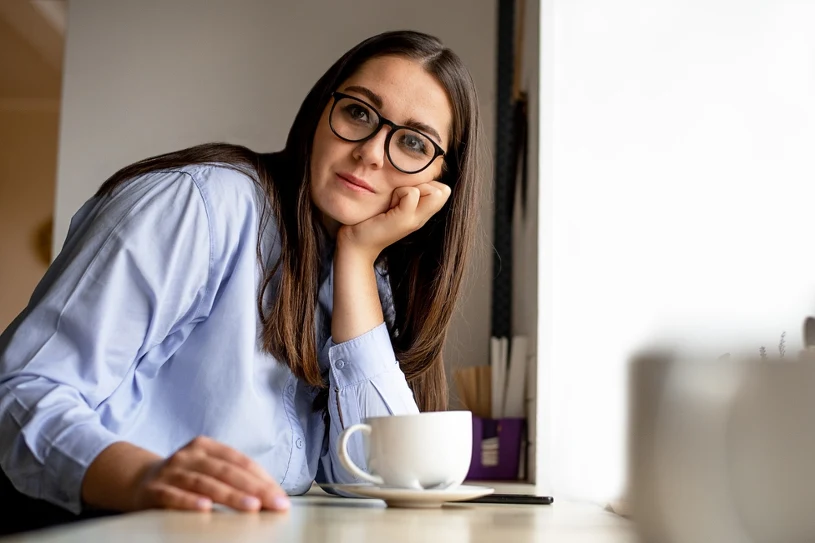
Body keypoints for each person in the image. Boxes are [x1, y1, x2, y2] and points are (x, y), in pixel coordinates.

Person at [0, 30, 484, 531]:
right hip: (92, 525)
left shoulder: (360, 275)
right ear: (322, 111)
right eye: (359, 113)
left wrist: (357, 259)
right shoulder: (199, 206)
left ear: (439, 182)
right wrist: (146, 479)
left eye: (412, 142)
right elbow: (22, 391)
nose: (372, 154)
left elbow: (386, 478)